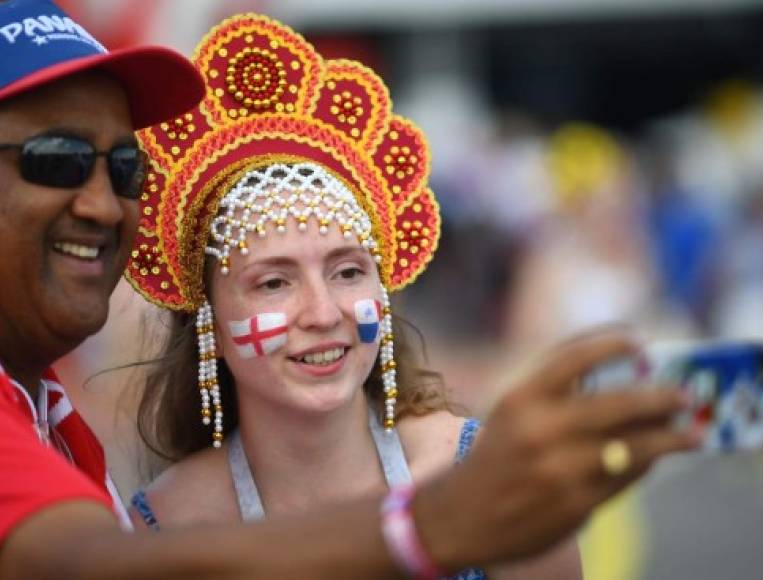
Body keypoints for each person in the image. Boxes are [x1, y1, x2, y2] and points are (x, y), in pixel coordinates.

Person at [0, 1, 698, 579]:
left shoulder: (40, 411)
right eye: (55, 161)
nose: (103, 201)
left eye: (124, 165)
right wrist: (435, 528)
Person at [124, 14, 578, 580]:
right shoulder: (162, 534)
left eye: (346, 272)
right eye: (274, 282)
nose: (323, 313)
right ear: (208, 321)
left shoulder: (493, 483)